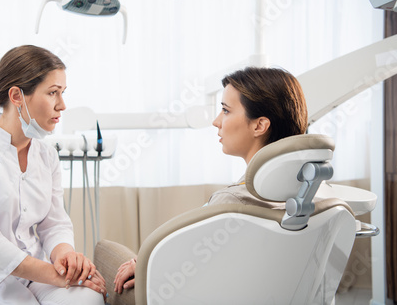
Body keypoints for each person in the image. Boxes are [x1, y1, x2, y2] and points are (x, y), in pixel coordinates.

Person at [110, 66, 309, 297]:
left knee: (105, 253)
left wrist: (144, 266)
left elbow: (189, 270)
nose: (216, 122)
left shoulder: (232, 203)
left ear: (259, 125)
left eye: (225, 110)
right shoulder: (304, 196)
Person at [0, 45, 106, 304]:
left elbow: (54, 223)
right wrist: (56, 276)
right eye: (52, 93)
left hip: (33, 274)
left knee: (87, 299)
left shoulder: (47, 156)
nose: (62, 105)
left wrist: (64, 258)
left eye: (63, 93)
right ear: (17, 96)